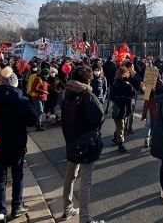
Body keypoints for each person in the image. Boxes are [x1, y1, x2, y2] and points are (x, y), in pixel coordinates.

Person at [0, 67, 37, 219]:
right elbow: (32, 120)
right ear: (14, 82)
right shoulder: (21, 99)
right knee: (18, 175)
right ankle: (17, 206)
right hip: (16, 143)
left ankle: (0, 213)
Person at [61, 66, 106, 223]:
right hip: (87, 142)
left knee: (70, 175)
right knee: (85, 180)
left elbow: (64, 122)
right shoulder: (87, 95)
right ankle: (85, 218)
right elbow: (99, 118)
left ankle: (67, 208)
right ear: (88, 79)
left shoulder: (67, 95)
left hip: (72, 141)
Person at [110, 66, 136, 153]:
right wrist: (124, 99)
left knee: (122, 125)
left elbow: (134, 93)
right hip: (119, 109)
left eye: (125, 74)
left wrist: (130, 86)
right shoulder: (116, 85)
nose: (124, 76)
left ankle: (115, 137)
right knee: (121, 127)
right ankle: (120, 144)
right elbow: (113, 97)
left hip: (126, 109)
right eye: (123, 74)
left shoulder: (127, 84)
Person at [141, 74, 163, 147]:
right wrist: (144, 89)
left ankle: (152, 139)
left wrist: (154, 89)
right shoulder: (149, 82)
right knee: (148, 123)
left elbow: (161, 94)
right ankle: (147, 139)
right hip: (149, 105)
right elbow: (146, 96)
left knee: (155, 123)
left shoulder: (160, 83)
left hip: (156, 105)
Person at [124, 61, 141, 135]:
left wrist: (134, 75)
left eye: (132, 67)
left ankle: (130, 127)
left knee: (131, 111)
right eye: (130, 67)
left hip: (134, 95)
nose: (132, 68)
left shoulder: (135, 74)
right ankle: (124, 127)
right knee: (126, 111)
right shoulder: (125, 75)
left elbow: (139, 83)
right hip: (126, 95)